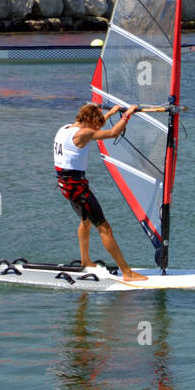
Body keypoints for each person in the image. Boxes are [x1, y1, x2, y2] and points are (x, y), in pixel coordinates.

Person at [53, 102, 146, 281]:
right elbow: (113, 133)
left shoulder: (65, 128)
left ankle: (85, 261)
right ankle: (127, 273)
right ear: (90, 120)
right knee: (104, 228)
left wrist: (110, 113)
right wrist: (128, 114)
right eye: (97, 121)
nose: (99, 124)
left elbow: (95, 126)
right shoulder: (84, 134)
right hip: (78, 188)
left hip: (66, 185)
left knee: (86, 221)